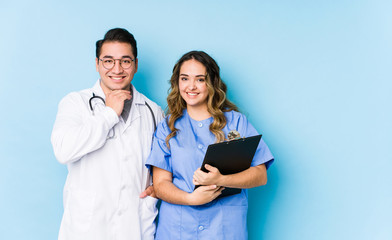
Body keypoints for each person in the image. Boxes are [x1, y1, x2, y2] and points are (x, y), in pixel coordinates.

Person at [146, 51, 274, 239]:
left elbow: (260, 175)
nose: (191, 86)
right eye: (184, 78)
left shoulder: (237, 122)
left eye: (200, 79)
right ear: (177, 83)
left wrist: (220, 179)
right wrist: (191, 199)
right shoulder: (167, 127)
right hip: (178, 228)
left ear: (212, 83)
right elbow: (160, 184)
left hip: (224, 228)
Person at [51, 28, 163, 240]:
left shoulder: (152, 111)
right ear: (97, 64)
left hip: (136, 225)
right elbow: (63, 151)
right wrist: (109, 113)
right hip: (88, 227)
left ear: (136, 65)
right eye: (108, 61)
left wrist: (159, 186)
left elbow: (161, 162)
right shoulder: (75, 103)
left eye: (125, 61)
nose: (117, 69)